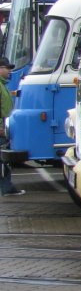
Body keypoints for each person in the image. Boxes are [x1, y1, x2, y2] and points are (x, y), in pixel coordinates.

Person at [0, 57, 24, 196]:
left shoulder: (3, 85)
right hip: (1, 130)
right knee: (3, 161)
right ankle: (6, 188)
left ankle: (7, 187)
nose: (10, 71)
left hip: (5, 129)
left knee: (4, 161)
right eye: (7, 68)